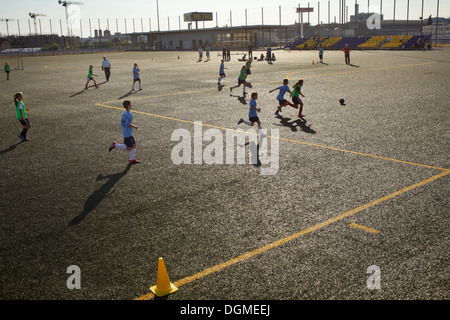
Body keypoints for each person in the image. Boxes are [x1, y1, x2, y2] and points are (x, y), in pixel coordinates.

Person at [109, 100, 140, 165]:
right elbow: (128, 124)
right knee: (129, 148)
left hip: (127, 132)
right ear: (128, 106)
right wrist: (135, 126)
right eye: (130, 104)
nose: (131, 105)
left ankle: (131, 160)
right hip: (127, 133)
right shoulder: (129, 114)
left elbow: (122, 123)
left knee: (134, 145)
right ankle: (115, 145)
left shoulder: (124, 113)